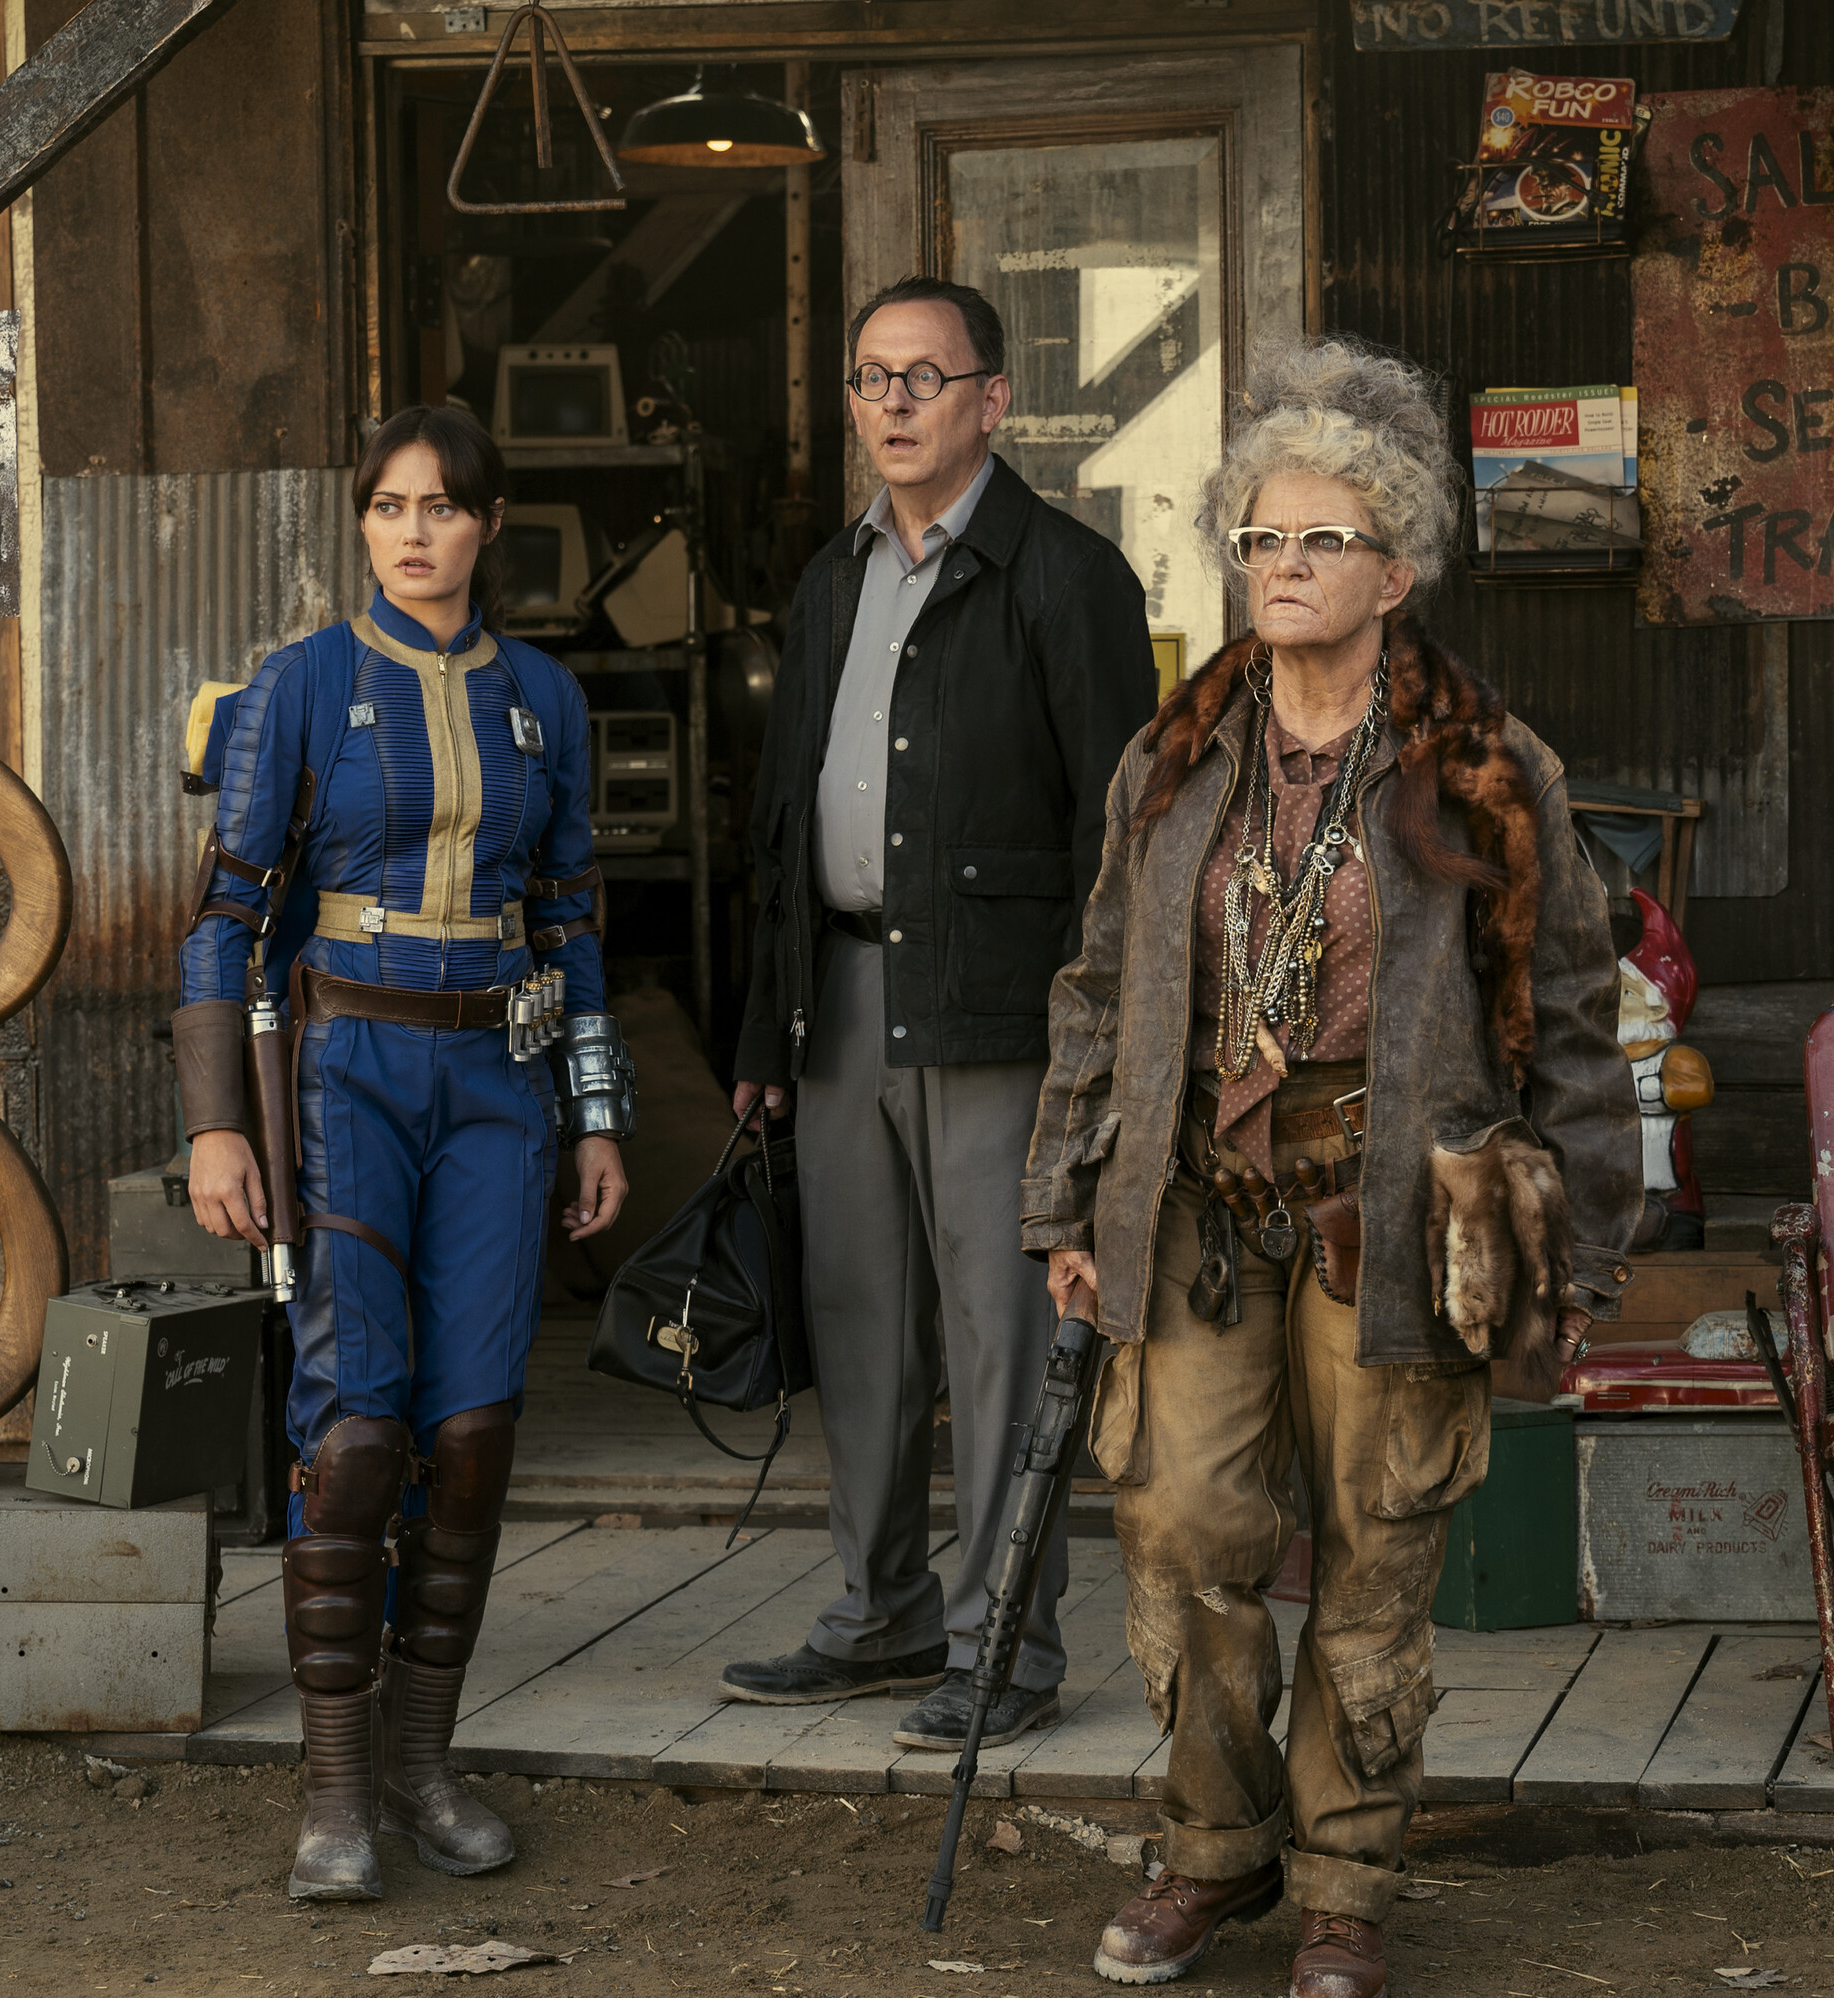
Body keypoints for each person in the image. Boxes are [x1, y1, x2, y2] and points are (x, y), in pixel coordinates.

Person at [1020, 340, 1640, 1998]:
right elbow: (1097, 990)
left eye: (1321, 542)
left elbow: (1574, 1007)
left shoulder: (1489, 766)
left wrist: (1577, 1239)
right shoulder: (1167, 763)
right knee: (1185, 1522)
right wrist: (1068, 1205)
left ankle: (1347, 1885)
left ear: (1399, 565)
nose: (1284, 571)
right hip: (1200, 1207)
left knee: (1377, 1545)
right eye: (1260, 542)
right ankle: (1213, 1855)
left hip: (1396, 1219)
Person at [175, 404, 634, 1902]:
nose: (417, 529)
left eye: (443, 505)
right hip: (346, 1071)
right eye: (390, 505)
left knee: (472, 1436)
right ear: (361, 523)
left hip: (501, 1076)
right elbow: (224, 920)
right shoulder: (299, 687)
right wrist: (214, 1121)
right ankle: (335, 1790)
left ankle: (428, 1762)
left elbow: (570, 918)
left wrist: (602, 1109)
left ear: (489, 526)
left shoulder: (549, 699)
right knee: (357, 1428)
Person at [720, 277, 1158, 1751]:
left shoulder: (1066, 577)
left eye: (926, 376)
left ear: (993, 399)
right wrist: (761, 1037)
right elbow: (781, 820)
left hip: (997, 1015)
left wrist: (1105, 1062)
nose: (894, 403)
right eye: (870, 378)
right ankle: (882, 1611)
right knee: (863, 1328)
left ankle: (1005, 1647)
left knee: (998, 1341)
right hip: (840, 998)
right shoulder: (831, 577)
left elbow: (1126, 840)